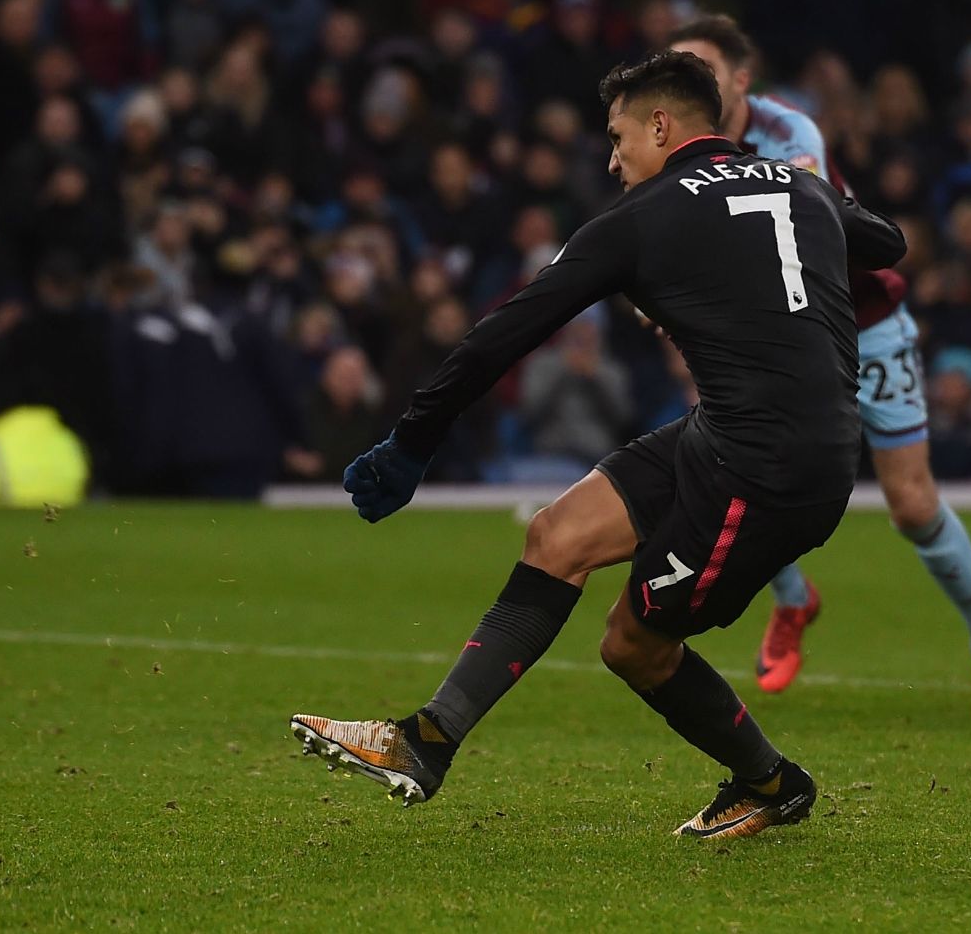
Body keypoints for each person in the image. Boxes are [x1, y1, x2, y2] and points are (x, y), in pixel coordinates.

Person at [291, 51, 906, 840]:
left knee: (633, 645)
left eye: (619, 139)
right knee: (557, 535)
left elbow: (503, 334)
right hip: (740, 432)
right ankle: (426, 742)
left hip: (771, 469)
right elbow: (887, 244)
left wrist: (413, 440)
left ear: (662, 125)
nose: (613, 162)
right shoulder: (801, 183)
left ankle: (774, 783)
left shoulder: (643, 219)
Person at [671, 15, 971, 708]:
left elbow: (790, 222)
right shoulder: (678, 146)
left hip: (866, 320)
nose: (687, 83)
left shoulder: (789, 132)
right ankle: (793, 600)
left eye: (701, 68)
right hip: (781, 331)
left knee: (912, 504)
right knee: (738, 470)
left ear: (740, 80)